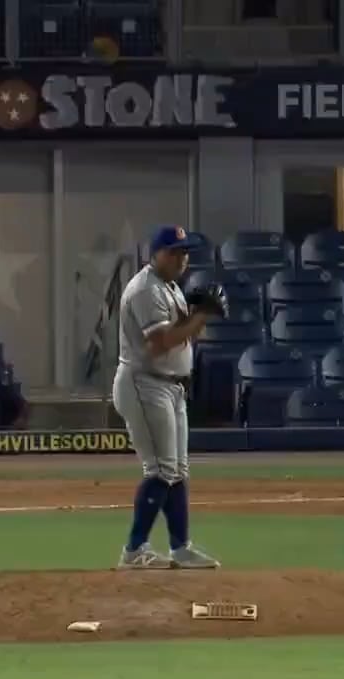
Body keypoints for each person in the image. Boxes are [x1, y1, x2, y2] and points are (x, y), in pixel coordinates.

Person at [115, 225, 228, 570]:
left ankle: (180, 547)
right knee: (161, 469)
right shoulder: (145, 290)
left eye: (185, 252)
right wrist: (203, 315)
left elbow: (186, 333)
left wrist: (195, 315)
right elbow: (161, 341)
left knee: (177, 470)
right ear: (156, 254)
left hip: (170, 386)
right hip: (145, 384)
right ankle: (134, 550)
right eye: (174, 252)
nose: (181, 258)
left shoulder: (170, 287)